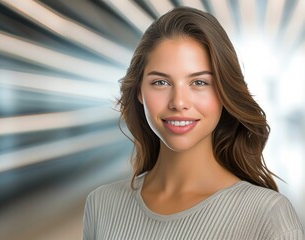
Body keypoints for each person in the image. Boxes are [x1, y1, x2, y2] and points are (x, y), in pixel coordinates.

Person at [82, 6, 304, 240]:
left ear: (224, 91)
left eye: (199, 82)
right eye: (160, 82)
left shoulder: (267, 214)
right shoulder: (101, 205)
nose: (179, 102)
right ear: (139, 91)